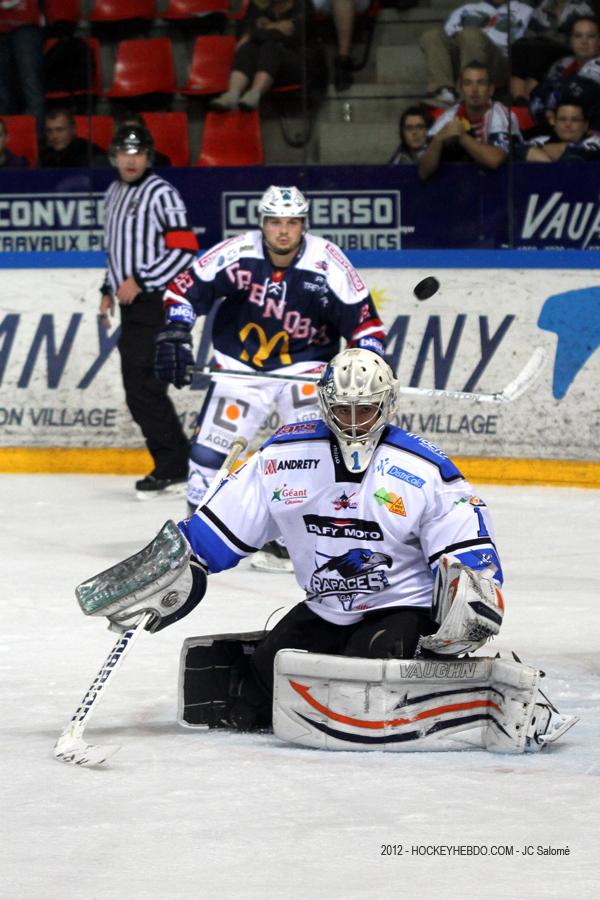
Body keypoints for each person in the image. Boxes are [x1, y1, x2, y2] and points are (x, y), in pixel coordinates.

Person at [96, 348, 506, 734]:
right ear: (324, 403)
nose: (352, 420)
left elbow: (468, 556)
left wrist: (468, 608)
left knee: (364, 672)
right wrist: (169, 573)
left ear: (386, 406)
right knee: (256, 694)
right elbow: (216, 536)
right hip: (325, 606)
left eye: (364, 409)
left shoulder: (422, 469)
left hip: (401, 607)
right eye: (341, 409)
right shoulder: (284, 456)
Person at [153, 185, 386, 570]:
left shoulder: (328, 261)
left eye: (292, 222)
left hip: (304, 371)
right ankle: (197, 537)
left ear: (303, 225)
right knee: (207, 455)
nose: (283, 231)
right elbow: (182, 290)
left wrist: (366, 361)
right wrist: (177, 329)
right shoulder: (238, 252)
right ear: (262, 223)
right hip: (239, 369)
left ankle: (295, 538)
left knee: (312, 457)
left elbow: (366, 327)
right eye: (275, 221)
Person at [100, 124, 199, 496]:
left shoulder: (162, 193)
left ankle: (175, 464)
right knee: (139, 387)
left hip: (155, 302)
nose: (131, 159)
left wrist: (140, 280)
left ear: (148, 157)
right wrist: (107, 288)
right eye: (125, 152)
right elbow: (115, 250)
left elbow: (184, 247)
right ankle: (175, 462)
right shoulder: (112, 192)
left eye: (138, 152)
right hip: (131, 305)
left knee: (143, 387)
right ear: (114, 156)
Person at [419, 0, 549, 108]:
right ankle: (443, 91)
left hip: (501, 62)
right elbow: (445, 39)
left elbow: (544, 39)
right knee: (431, 36)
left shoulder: (525, 10)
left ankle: (467, 94)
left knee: (472, 34)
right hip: (462, 54)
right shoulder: (466, 9)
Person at [418, 60, 522, 180]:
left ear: (491, 89)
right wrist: (438, 140)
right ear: (460, 89)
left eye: (481, 83)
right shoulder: (448, 117)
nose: (474, 89)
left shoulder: (499, 113)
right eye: (468, 83)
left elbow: (494, 160)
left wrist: (462, 137)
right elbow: (423, 172)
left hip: (511, 182)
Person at [211, 0, 315, 111]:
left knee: (271, 46)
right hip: (262, 67)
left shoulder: (303, 5)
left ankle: (255, 94)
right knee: (248, 47)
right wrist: (273, 28)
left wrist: (262, 29)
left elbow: (293, 37)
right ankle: (232, 94)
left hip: (296, 64)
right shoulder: (258, 5)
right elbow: (245, 34)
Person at [529, 15, 600, 129]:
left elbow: (576, 95)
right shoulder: (563, 63)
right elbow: (536, 96)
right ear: (571, 40)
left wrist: (549, 103)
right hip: (559, 128)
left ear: (599, 41)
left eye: (590, 36)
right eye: (578, 36)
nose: (584, 41)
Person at [0, 0, 44, 135]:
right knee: (2, 94)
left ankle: (35, 144)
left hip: (26, 24)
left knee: (31, 88)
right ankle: (6, 147)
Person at [518, 98, 600, 158]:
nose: (568, 124)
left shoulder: (596, 141)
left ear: (585, 125)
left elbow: (580, 154)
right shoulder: (540, 141)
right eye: (562, 119)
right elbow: (516, 151)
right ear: (555, 123)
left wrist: (536, 152)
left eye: (575, 120)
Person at [40, 107, 106, 167]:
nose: (54, 136)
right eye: (49, 131)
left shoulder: (90, 152)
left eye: (60, 130)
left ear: (73, 130)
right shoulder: (45, 155)